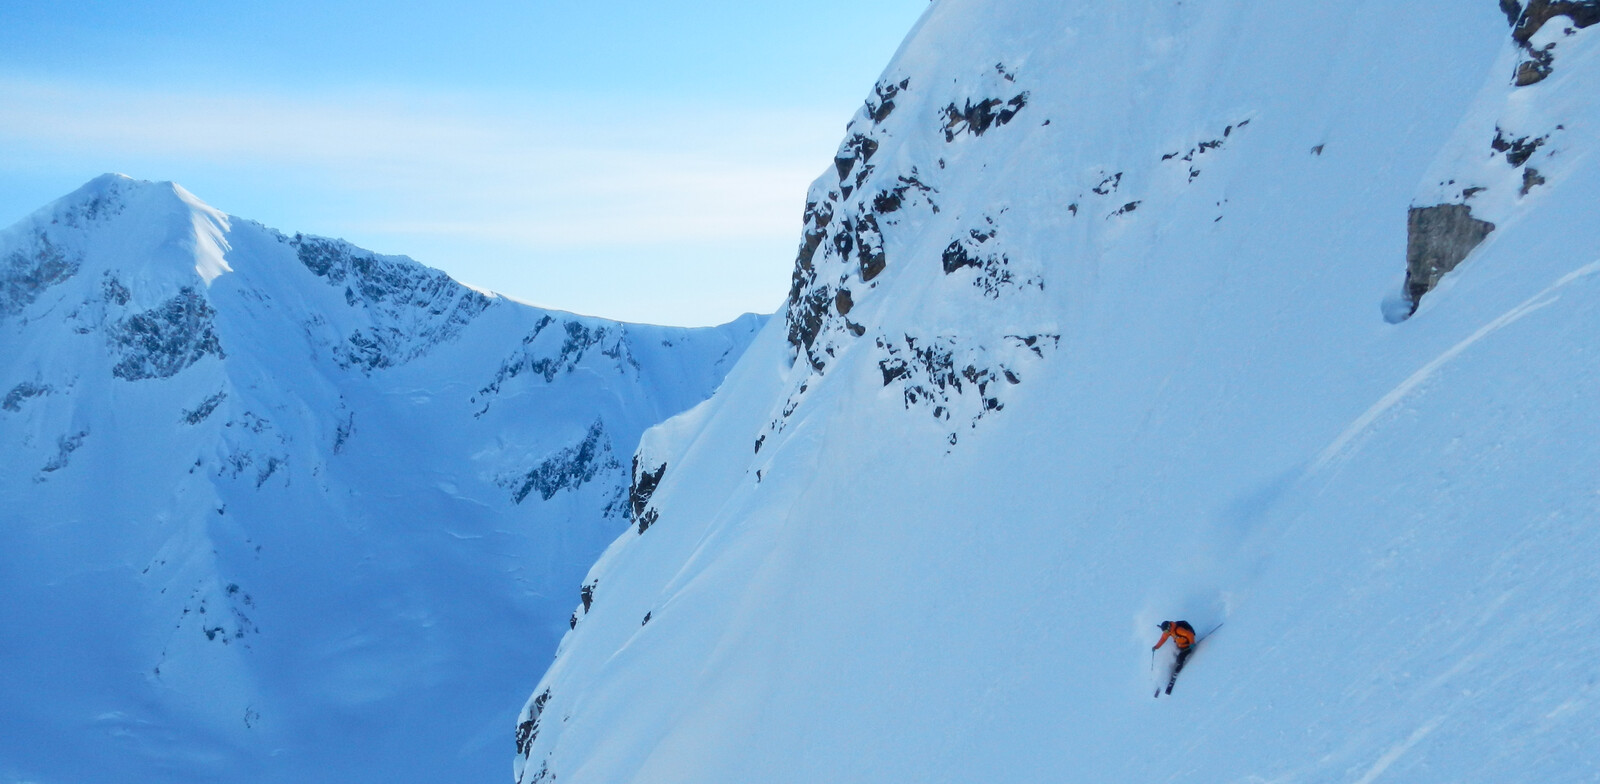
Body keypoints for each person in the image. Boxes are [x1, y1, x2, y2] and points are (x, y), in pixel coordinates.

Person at [1153, 620, 1197, 694]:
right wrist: (1156, 647)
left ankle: (1178, 668)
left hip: (1187, 647)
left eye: (1166, 631)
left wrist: (1192, 643)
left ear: (1169, 627)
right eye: (1165, 632)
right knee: (1172, 656)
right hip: (1180, 646)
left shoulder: (1178, 630)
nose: (1166, 633)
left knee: (1180, 658)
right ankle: (1169, 670)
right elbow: (1163, 639)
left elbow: (1190, 635)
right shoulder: (1169, 631)